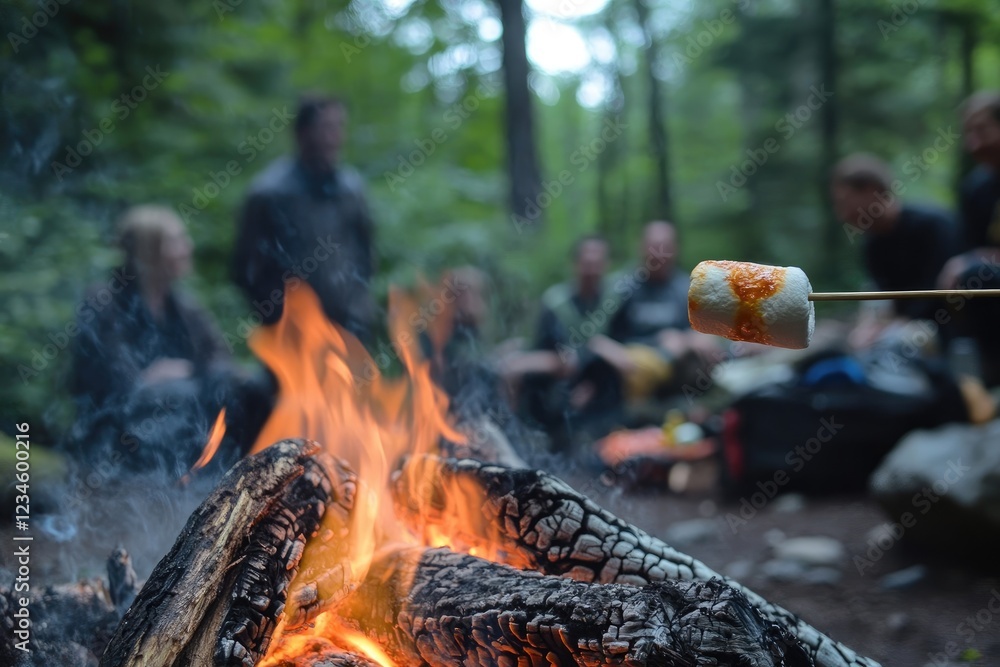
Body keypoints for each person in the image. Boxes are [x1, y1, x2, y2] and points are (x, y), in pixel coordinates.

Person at [70, 206, 256, 474]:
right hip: (119, 433)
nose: (187, 247)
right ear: (147, 250)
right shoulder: (102, 304)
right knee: (179, 397)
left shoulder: (184, 307)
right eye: (175, 241)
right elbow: (115, 381)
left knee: (252, 390)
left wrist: (185, 371)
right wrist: (167, 381)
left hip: (187, 420)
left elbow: (219, 362)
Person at [232, 94, 376, 342]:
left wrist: (358, 304)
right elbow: (245, 267)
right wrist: (276, 313)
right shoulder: (270, 193)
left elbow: (366, 253)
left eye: (339, 127)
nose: (335, 138)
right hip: (290, 335)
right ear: (303, 133)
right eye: (326, 128)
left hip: (348, 328)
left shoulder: (351, 190)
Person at [831, 153, 959, 348]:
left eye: (844, 202)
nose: (842, 215)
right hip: (899, 329)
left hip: (946, 332)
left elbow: (941, 291)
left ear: (871, 190)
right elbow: (881, 297)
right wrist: (869, 327)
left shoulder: (933, 225)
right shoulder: (872, 243)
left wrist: (897, 324)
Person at [595, 221, 720, 403]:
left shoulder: (687, 287)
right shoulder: (619, 287)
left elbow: (703, 331)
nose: (658, 253)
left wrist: (691, 338)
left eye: (665, 247)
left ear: (675, 249)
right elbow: (597, 333)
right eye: (653, 246)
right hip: (630, 367)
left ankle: (693, 413)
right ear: (641, 248)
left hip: (677, 369)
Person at [937, 92, 1000, 384]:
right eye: (969, 134)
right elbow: (967, 250)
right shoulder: (977, 189)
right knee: (962, 279)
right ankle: (979, 379)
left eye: (981, 131)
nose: (972, 144)